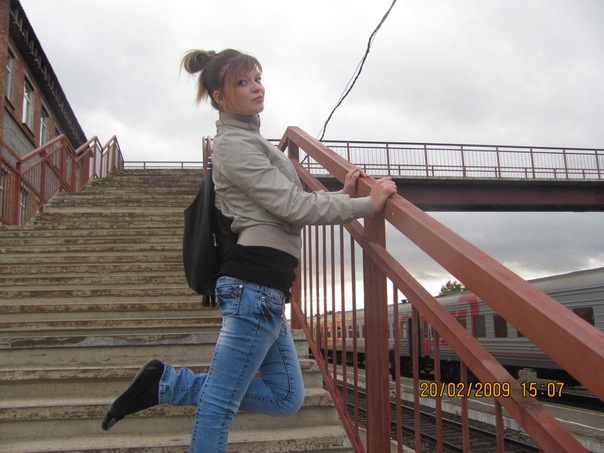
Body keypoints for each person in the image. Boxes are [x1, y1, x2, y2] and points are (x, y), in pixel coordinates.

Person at [101, 48, 397, 452]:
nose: (256, 87)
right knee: (219, 406)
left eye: (257, 78)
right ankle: (165, 385)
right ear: (219, 97)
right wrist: (366, 204)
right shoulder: (234, 145)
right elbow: (293, 207)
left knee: (286, 396)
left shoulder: (252, 140)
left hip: (267, 287)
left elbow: (285, 205)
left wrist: (342, 195)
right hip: (252, 287)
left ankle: (166, 384)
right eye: (242, 82)